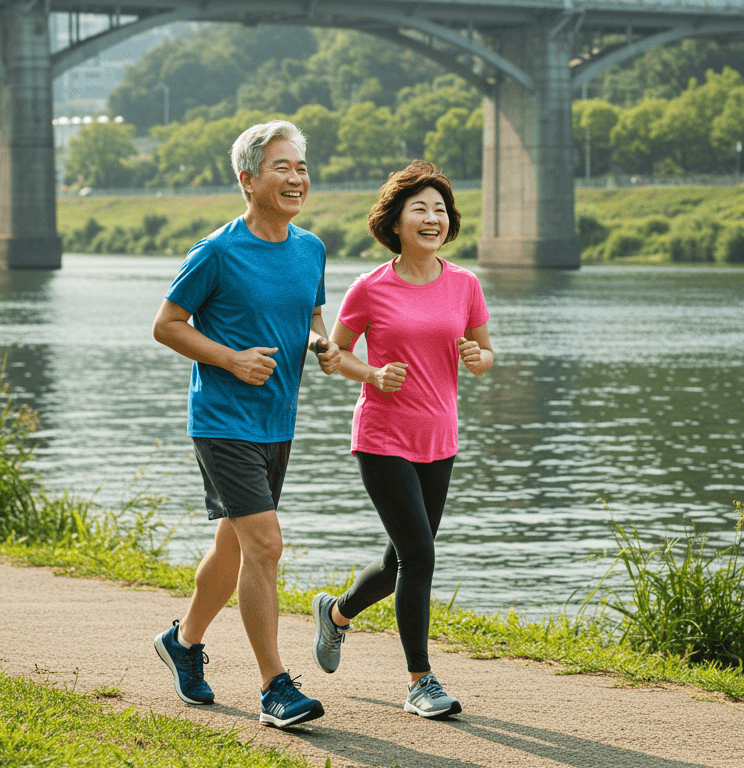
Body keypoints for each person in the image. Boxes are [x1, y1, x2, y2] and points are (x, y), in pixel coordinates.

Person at [150, 120, 341, 729]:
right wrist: (230, 358)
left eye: (302, 168)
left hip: (276, 421)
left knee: (232, 547)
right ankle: (274, 686)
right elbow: (168, 324)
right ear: (248, 178)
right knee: (265, 544)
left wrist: (323, 344)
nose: (296, 178)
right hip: (221, 419)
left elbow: (309, 317)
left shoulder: (311, 249)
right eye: (282, 167)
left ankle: (183, 641)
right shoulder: (216, 251)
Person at [310, 160, 493, 719]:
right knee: (421, 555)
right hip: (382, 437)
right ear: (395, 220)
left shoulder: (466, 284)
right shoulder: (370, 288)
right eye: (421, 208)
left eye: (440, 209)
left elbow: (485, 354)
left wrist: (477, 358)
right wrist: (371, 374)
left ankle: (336, 613)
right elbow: (330, 355)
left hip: (440, 439)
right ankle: (421, 681)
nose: (433, 217)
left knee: (400, 563)